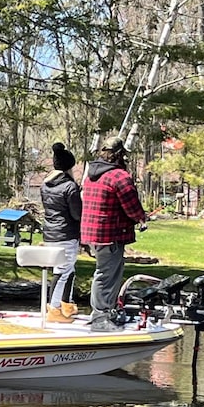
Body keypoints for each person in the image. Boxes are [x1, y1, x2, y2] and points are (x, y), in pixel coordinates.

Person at [80, 135, 147, 332]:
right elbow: (132, 207)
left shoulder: (92, 174)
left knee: (103, 272)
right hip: (110, 234)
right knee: (107, 274)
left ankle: (103, 312)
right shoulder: (119, 177)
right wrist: (141, 218)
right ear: (119, 156)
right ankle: (100, 316)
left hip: (92, 233)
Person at [39, 142, 82, 324]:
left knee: (66, 270)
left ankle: (66, 305)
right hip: (66, 234)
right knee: (64, 271)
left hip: (50, 233)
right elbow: (76, 214)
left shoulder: (45, 185)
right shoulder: (69, 187)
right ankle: (55, 308)